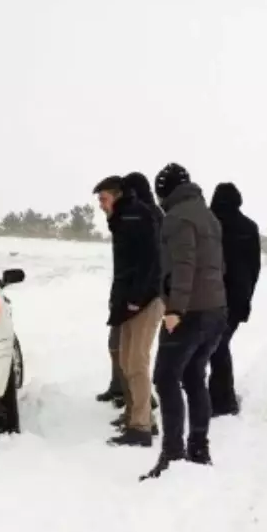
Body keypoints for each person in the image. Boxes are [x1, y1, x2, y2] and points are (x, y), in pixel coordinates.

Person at [144, 163, 228, 480]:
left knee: (166, 378)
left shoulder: (177, 218)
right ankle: (198, 448)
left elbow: (183, 265)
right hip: (215, 310)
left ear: (164, 190)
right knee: (193, 376)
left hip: (190, 312)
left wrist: (175, 309)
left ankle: (173, 454)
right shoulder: (207, 215)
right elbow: (217, 265)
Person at [93, 175, 163, 447]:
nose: (101, 205)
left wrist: (134, 299)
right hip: (129, 302)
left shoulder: (136, 217)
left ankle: (141, 427)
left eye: (104, 198)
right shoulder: (123, 218)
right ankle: (137, 416)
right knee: (125, 361)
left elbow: (150, 261)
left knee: (136, 364)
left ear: (118, 195)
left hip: (143, 302)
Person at [208, 182, 262, 416]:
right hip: (238, 296)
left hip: (210, 295)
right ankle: (222, 398)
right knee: (220, 344)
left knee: (216, 346)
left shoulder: (208, 224)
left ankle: (222, 399)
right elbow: (254, 267)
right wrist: (247, 295)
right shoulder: (249, 227)